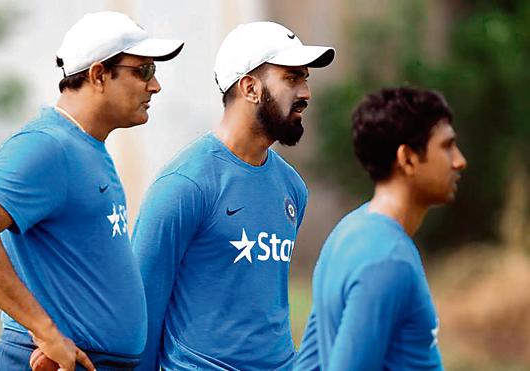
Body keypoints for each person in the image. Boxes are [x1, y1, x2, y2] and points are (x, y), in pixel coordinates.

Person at [0, 11, 183, 371]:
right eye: (143, 71)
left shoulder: (87, 147)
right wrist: (46, 332)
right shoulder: (46, 145)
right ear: (99, 75)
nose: (155, 85)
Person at [131, 21, 335, 370]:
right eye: (291, 78)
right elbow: (141, 313)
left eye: (305, 78)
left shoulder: (292, 187)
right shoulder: (185, 184)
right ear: (250, 87)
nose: (305, 93)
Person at [295, 86, 468, 371]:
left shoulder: (347, 232)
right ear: (408, 159)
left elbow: (309, 364)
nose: (459, 161)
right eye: (447, 146)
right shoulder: (387, 260)